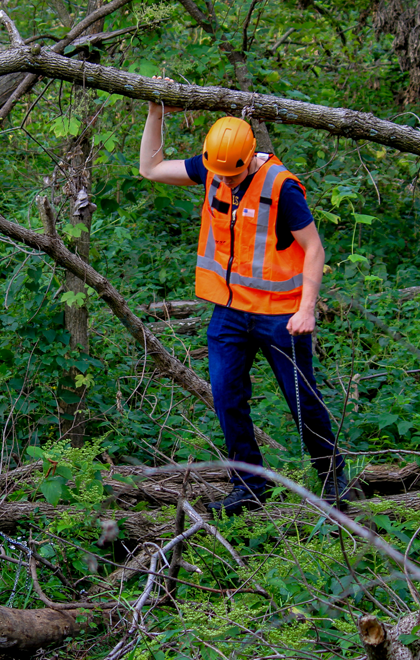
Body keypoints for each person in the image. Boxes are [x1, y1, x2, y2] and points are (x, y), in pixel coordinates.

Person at [139, 98, 348, 515]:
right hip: (230, 312)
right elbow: (151, 168)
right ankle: (249, 486)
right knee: (227, 397)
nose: (226, 181)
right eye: (220, 173)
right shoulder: (214, 167)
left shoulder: (281, 187)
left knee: (301, 399)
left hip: (279, 315)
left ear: (249, 158)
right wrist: (155, 112)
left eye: (233, 174)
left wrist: (306, 309)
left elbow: (314, 249)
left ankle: (332, 479)